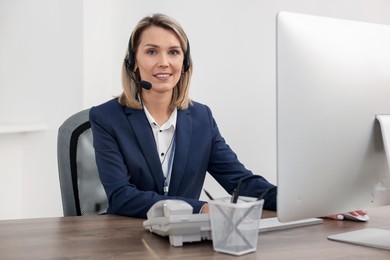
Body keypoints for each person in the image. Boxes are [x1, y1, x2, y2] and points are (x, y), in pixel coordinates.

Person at [89, 13, 367, 221]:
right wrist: (203, 208)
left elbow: (241, 182)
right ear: (133, 62)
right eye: (151, 51)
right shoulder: (107, 117)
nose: (164, 62)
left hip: (186, 239)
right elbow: (121, 197)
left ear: (184, 64)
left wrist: (311, 203)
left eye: (174, 52)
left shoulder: (200, 118)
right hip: (126, 237)